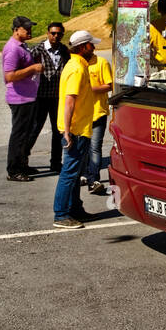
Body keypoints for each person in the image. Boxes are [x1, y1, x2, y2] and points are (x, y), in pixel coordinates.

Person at [54, 30, 101, 228]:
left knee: (74, 173)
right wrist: (67, 132)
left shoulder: (77, 65)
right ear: (83, 47)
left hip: (80, 128)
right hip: (75, 130)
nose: (94, 47)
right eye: (91, 44)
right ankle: (62, 214)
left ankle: (75, 209)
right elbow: (69, 101)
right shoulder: (77, 69)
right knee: (69, 173)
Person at [2, 16, 44, 182]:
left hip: (27, 96)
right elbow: (10, 75)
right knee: (18, 135)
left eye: (30, 28)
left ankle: (22, 164)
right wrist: (33, 68)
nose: (29, 31)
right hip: (19, 98)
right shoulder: (13, 49)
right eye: (26, 28)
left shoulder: (22, 46)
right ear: (16, 29)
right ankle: (13, 170)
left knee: (26, 134)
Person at [30, 22, 69, 173]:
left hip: (57, 97)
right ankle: (23, 160)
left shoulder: (64, 51)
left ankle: (56, 162)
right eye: (53, 33)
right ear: (48, 33)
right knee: (34, 129)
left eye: (59, 34)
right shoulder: (38, 50)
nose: (56, 36)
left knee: (57, 130)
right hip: (40, 97)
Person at [82, 46, 114, 194]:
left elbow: (109, 85)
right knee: (82, 148)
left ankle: (94, 180)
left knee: (95, 147)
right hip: (81, 114)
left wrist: (90, 89)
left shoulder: (101, 62)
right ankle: (83, 174)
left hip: (98, 112)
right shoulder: (77, 63)